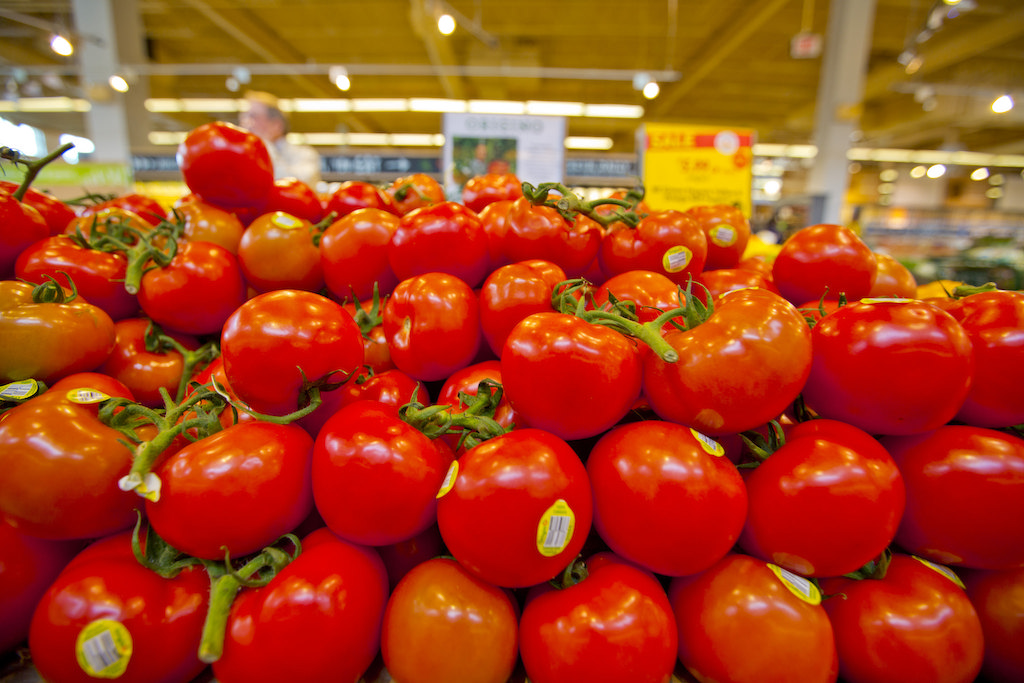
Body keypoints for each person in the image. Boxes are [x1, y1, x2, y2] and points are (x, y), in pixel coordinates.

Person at [239, 91, 322, 186]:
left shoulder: (305, 155)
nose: (245, 123)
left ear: (276, 125)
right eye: (243, 116)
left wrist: (263, 145)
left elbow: (294, 187)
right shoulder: (244, 156)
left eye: (253, 117)